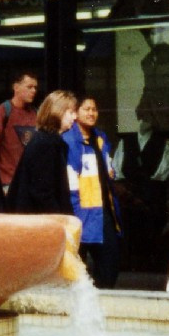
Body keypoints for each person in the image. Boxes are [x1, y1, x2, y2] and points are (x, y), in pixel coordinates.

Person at [114, 101, 169, 274]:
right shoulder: (126, 141)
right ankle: (132, 266)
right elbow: (118, 168)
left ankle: (151, 267)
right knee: (131, 233)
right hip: (130, 197)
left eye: (149, 115)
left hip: (153, 196)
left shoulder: (163, 142)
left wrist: (147, 187)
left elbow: (164, 171)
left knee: (153, 234)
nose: (145, 119)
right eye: (142, 115)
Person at [65, 96, 123, 288]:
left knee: (110, 263)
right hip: (80, 212)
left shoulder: (100, 138)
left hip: (103, 211)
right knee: (76, 271)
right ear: (75, 112)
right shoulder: (68, 141)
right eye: (86, 109)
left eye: (94, 109)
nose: (91, 113)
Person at [6, 90, 76, 215]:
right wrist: (60, 221)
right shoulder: (46, 143)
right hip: (39, 222)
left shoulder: (49, 141)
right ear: (57, 112)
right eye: (70, 112)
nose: (74, 117)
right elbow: (42, 192)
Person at [0, 69, 39, 192]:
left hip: (31, 183)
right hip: (8, 183)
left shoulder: (36, 114)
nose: (33, 91)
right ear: (16, 87)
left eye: (35, 87)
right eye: (29, 87)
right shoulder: (2, 112)